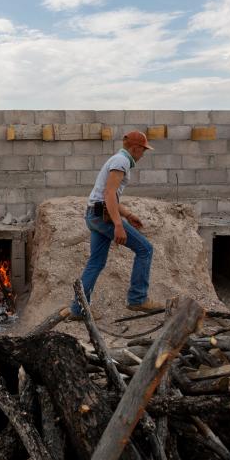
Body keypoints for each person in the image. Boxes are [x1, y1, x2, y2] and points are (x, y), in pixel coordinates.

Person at [72, 130, 159, 319]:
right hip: (102, 217)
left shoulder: (118, 159)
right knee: (145, 249)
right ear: (135, 148)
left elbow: (108, 194)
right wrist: (118, 225)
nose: (143, 155)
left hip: (94, 215)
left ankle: (78, 310)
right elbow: (109, 194)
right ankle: (138, 299)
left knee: (96, 263)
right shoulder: (122, 161)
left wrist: (127, 214)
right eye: (143, 150)